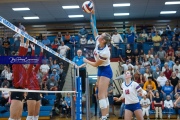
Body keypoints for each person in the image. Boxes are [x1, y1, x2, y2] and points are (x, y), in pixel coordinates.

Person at [83, 3, 113, 120]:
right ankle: (106, 115)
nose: (99, 35)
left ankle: (104, 116)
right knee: (103, 94)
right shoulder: (97, 41)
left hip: (106, 70)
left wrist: (86, 60)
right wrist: (92, 14)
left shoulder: (105, 52)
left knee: (100, 94)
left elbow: (95, 64)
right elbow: (93, 26)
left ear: (104, 40)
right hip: (101, 69)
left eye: (102, 35)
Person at [9, 36, 30, 120]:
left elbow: (23, 53)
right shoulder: (17, 66)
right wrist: (22, 40)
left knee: (18, 117)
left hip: (21, 92)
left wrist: (27, 42)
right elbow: (21, 53)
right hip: (17, 90)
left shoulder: (24, 70)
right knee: (14, 117)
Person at [26, 46, 43, 120]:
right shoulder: (28, 72)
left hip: (37, 92)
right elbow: (32, 62)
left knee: (36, 115)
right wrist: (33, 50)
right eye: (31, 66)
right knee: (31, 115)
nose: (33, 67)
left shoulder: (34, 72)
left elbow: (39, 63)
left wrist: (41, 51)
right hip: (31, 92)